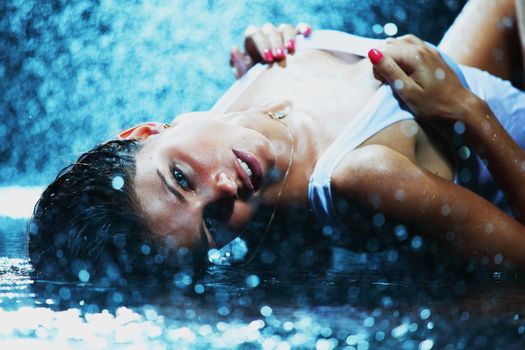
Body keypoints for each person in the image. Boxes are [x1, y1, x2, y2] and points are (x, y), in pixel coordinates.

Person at [29, 0, 525, 282]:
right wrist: (464, 109)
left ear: (146, 131)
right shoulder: (361, 173)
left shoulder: (243, 86)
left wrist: (286, 53)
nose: (221, 191)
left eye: (181, 177)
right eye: (209, 229)